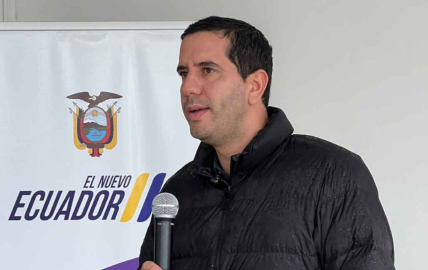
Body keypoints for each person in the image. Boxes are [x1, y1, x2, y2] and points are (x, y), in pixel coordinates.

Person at [138, 16, 395, 270]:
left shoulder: (333, 175)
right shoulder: (176, 194)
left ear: (255, 86)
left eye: (207, 70)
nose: (188, 88)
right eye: (184, 73)